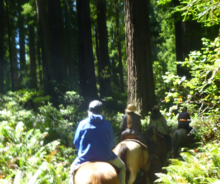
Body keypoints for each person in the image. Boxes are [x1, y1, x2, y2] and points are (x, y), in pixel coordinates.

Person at [69, 100, 126, 184]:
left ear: (89, 111)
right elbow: (112, 143)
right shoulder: (107, 124)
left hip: (85, 157)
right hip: (106, 157)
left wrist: (84, 150)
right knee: (122, 167)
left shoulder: (82, 124)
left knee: (72, 171)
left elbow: (76, 142)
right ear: (102, 111)